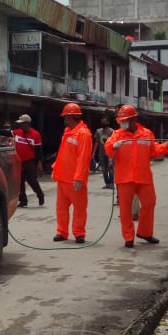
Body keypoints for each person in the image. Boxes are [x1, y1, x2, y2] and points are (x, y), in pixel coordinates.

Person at [105, 104, 168, 247]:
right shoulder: (117, 135)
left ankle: (145, 232)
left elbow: (154, 151)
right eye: (121, 120)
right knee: (125, 209)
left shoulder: (147, 134)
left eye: (125, 120)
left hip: (144, 177)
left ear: (134, 119)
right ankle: (128, 237)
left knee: (149, 203)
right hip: (125, 178)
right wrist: (113, 146)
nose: (123, 123)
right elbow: (108, 149)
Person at [52, 102, 93, 244]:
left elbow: (83, 157)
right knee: (61, 208)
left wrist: (79, 178)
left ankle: (79, 233)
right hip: (63, 178)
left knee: (79, 208)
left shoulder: (83, 134)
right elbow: (62, 153)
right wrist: (55, 168)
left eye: (66, 118)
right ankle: (62, 232)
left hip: (75, 179)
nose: (64, 120)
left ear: (72, 117)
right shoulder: (67, 132)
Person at [12, 114, 44, 208]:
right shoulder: (17, 132)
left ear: (27, 123)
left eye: (22, 123)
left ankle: (40, 195)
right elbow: (5, 132)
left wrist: (39, 162)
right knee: (20, 182)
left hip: (30, 161)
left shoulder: (36, 134)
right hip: (19, 161)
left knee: (32, 180)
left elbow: (39, 150)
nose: (21, 125)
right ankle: (23, 201)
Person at [94, 116, 115, 188]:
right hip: (101, 153)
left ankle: (112, 183)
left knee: (110, 168)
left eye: (105, 121)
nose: (103, 123)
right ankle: (107, 183)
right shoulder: (98, 131)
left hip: (110, 153)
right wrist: (94, 152)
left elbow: (113, 142)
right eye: (102, 121)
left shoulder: (112, 131)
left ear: (108, 122)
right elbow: (97, 142)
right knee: (104, 169)